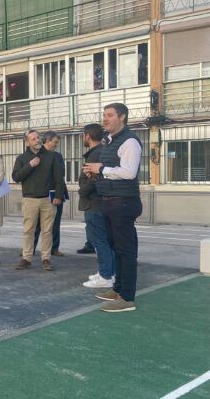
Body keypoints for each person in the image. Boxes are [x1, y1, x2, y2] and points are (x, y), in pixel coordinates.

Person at [83, 103, 142, 312]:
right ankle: (118, 289)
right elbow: (113, 169)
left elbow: (129, 172)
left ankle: (126, 298)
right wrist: (97, 172)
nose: (105, 119)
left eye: (109, 115)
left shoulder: (130, 141)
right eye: (104, 115)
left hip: (123, 202)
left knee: (126, 250)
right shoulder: (111, 140)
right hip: (110, 201)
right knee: (117, 248)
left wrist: (102, 168)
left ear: (122, 117)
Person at [12, 130, 65, 271]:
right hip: (29, 199)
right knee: (28, 230)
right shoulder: (22, 158)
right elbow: (16, 177)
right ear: (27, 142)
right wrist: (30, 165)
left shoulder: (51, 156)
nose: (37, 140)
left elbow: (58, 178)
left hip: (48, 199)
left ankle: (46, 259)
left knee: (47, 231)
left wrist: (58, 196)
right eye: (33, 139)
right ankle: (26, 258)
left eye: (38, 138)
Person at [78, 123, 116, 288]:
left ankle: (106, 276)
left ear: (87, 136)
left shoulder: (95, 154)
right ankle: (107, 272)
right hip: (101, 202)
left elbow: (94, 180)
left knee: (99, 240)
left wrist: (82, 191)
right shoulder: (102, 151)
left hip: (94, 203)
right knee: (105, 240)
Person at [33, 131, 68, 256]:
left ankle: (54, 247)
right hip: (41, 193)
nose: (56, 145)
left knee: (55, 221)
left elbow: (61, 173)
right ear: (47, 141)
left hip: (56, 192)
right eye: (55, 142)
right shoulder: (37, 154)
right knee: (36, 222)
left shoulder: (58, 156)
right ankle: (30, 249)